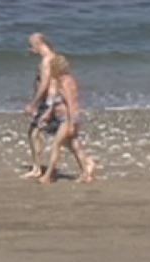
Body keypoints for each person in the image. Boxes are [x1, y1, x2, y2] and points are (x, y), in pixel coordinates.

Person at [39, 54, 96, 184]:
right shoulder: (64, 80)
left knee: (56, 145)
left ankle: (49, 176)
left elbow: (71, 102)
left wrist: (72, 122)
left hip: (67, 119)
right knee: (75, 146)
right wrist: (49, 113)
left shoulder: (65, 82)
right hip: (64, 118)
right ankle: (87, 171)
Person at [22, 33, 59, 179]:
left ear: (39, 44)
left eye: (32, 45)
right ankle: (37, 167)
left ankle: (37, 168)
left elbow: (44, 84)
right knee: (39, 133)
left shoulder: (46, 61)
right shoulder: (54, 58)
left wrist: (33, 104)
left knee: (33, 133)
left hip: (48, 101)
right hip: (53, 101)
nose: (30, 49)